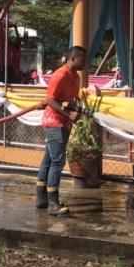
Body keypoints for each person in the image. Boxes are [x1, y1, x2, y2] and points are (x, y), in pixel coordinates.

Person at [36, 45, 87, 216]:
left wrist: (75, 109)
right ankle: (53, 204)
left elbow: (66, 98)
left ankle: (42, 199)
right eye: (82, 60)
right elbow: (50, 99)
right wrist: (68, 114)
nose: (84, 63)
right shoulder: (60, 75)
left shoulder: (75, 76)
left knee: (49, 159)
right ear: (73, 59)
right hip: (54, 123)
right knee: (57, 162)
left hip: (63, 123)